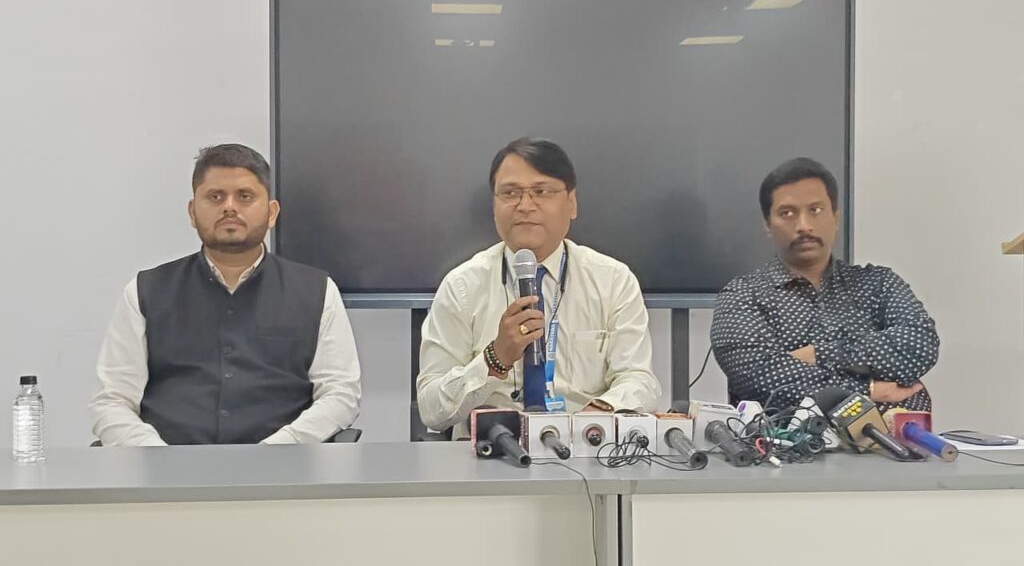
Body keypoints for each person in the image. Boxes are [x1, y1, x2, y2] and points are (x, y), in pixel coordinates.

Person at [90, 143, 361, 445]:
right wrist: (157, 457)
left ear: (272, 213)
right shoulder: (145, 292)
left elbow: (340, 394)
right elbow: (113, 401)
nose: (229, 207)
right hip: (167, 465)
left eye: (245, 196)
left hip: (281, 466)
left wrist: (280, 449)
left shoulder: (317, 291)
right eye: (215, 197)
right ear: (193, 212)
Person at [417, 137, 660, 436]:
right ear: (494, 206)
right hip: (489, 451)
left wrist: (596, 417)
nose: (525, 206)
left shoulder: (612, 280)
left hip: (584, 447)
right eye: (510, 193)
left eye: (542, 191)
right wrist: (494, 358)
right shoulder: (462, 286)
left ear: (571, 203)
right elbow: (431, 410)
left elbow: (639, 381)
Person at [711, 157, 939, 412]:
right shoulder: (743, 296)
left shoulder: (878, 284)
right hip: (789, 437)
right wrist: (869, 390)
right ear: (767, 225)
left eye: (816, 210)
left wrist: (819, 354)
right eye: (787, 213)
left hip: (898, 435)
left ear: (836, 218)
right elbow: (760, 378)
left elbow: (920, 345)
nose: (804, 226)